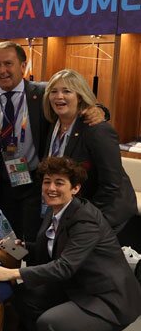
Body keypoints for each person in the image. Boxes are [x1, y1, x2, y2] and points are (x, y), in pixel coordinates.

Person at [0, 157, 141, 331]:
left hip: (110, 298)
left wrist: (12, 272)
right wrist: (24, 246)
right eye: (47, 182)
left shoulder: (85, 220)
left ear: (75, 188)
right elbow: (54, 249)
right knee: (22, 296)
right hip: (79, 287)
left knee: (50, 324)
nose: (51, 188)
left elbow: (64, 267)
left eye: (59, 183)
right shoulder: (55, 210)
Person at [0, 41, 106, 241]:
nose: (2, 70)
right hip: (1, 186)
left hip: (35, 184)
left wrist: (100, 110)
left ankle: (33, 271)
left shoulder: (43, 93)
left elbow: (77, 102)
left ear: (23, 66)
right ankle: (9, 272)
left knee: (37, 240)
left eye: (8, 64)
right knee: (7, 243)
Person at [43, 69, 136, 232]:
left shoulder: (97, 130)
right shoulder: (53, 126)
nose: (59, 96)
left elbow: (112, 184)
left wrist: (85, 215)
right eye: (54, 91)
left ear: (79, 96)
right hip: (70, 212)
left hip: (105, 215)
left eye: (67, 91)